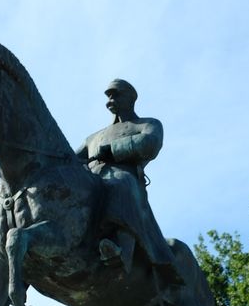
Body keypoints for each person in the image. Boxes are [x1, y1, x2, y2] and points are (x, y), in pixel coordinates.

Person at [76, 78, 181, 286]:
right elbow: (72, 159)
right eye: (108, 95)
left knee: (119, 183)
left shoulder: (148, 124)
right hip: (93, 179)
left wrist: (113, 150)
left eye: (116, 94)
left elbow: (149, 144)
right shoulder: (93, 137)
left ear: (131, 98)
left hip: (124, 177)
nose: (111, 99)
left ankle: (121, 251)